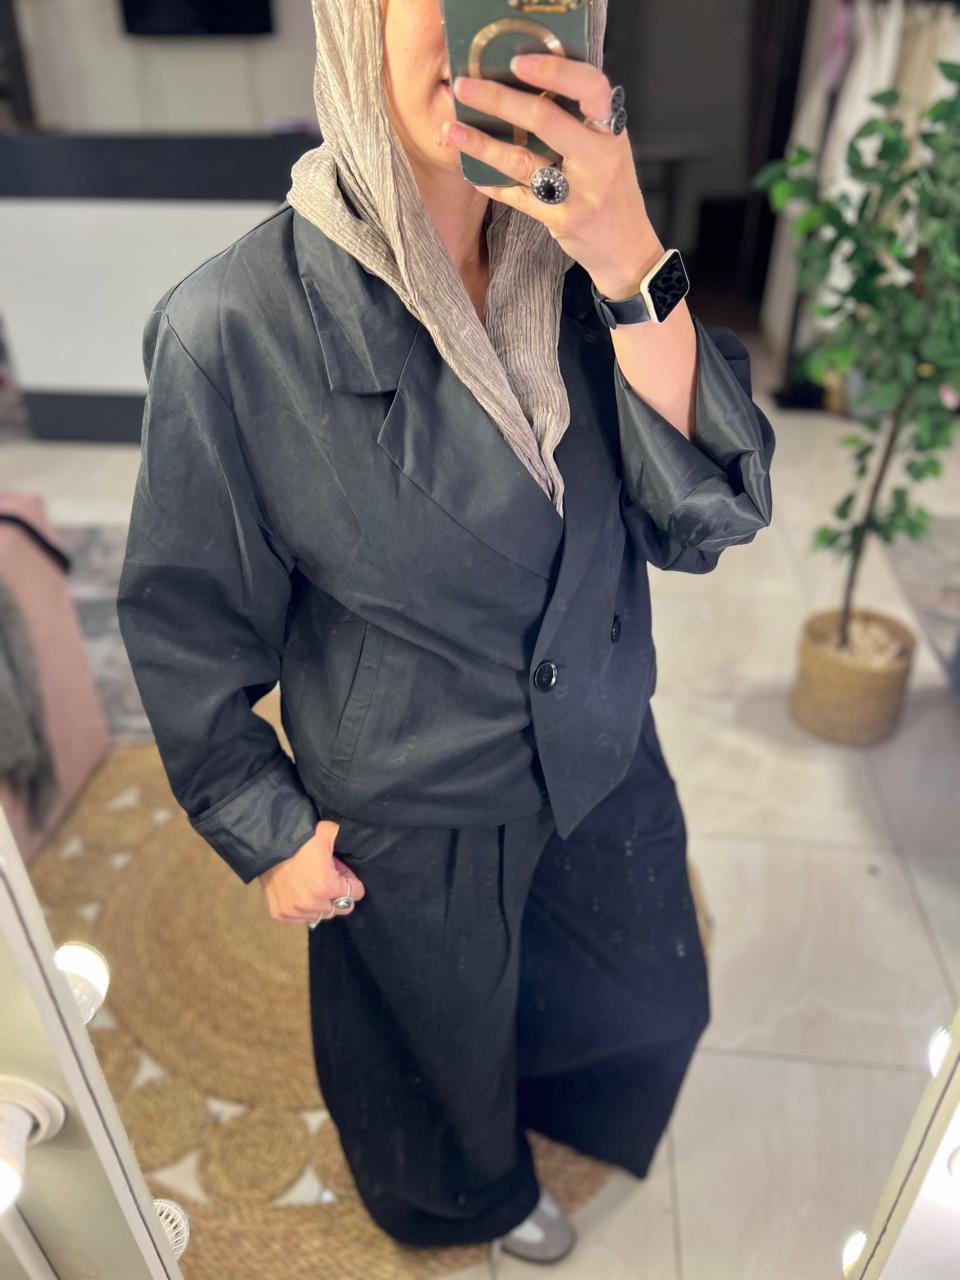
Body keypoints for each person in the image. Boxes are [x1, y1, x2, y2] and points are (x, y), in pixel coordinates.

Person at [116, 0, 775, 1269]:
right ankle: (468, 1195)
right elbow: (187, 624)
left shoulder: (585, 256)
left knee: (635, 978)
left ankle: (570, 1108)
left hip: (600, 742)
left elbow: (703, 518)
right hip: (417, 798)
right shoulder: (234, 327)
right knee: (432, 1048)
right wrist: (262, 823)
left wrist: (630, 259)